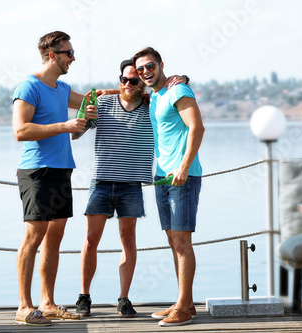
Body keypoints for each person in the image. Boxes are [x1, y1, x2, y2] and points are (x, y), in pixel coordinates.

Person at [12, 31, 96, 326]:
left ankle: (47, 303)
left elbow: (88, 102)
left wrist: (87, 119)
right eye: (69, 53)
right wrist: (64, 125)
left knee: (54, 238)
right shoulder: (29, 86)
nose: (73, 58)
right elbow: (21, 131)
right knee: (33, 238)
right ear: (52, 55)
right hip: (37, 171)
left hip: (62, 169)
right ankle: (24, 307)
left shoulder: (62, 88)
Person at [72, 59, 153, 318]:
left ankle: (123, 299)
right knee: (90, 240)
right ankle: (84, 298)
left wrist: (181, 78)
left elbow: (163, 90)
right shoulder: (104, 103)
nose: (127, 84)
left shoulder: (151, 107)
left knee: (128, 240)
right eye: (124, 80)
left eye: (134, 80)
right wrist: (85, 114)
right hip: (102, 182)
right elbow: (75, 135)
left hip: (131, 185)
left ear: (142, 82)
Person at [133, 47, 205, 327]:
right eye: (140, 70)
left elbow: (197, 128)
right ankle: (183, 302)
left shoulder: (178, 91)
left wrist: (185, 167)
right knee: (173, 242)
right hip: (162, 178)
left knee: (182, 243)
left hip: (183, 177)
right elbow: (123, 91)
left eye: (150, 66)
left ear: (161, 65)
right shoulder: (155, 96)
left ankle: (184, 310)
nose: (145, 72)